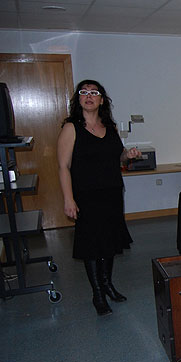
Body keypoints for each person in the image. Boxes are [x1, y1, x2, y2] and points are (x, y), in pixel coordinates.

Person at [57, 80, 140, 316]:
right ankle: (97, 294)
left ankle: (107, 284)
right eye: (84, 92)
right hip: (86, 197)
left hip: (112, 194)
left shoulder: (109, 127)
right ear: (78, 99)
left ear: (102, 100)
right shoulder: (71, 128)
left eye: (94, 93)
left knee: (110, 242)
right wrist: (68, 199)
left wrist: (128, 154)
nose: (89, 96)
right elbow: (63, 166)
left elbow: (118, 158)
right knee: (92, 246)